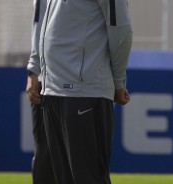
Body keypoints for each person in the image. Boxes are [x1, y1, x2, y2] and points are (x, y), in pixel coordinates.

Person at [27, 0, 133, 183]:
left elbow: (121, 29)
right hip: (53, 89)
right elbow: (42, 18)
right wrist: (35, 69)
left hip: (85, 90)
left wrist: (118, 81)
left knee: (88, 177)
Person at [26, 0, 56, 184]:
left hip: (57, 79)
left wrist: (33, 72)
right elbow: (39, 24)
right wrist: (33, 72)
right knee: (46, 151)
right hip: (52, 78)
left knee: (47, 151)